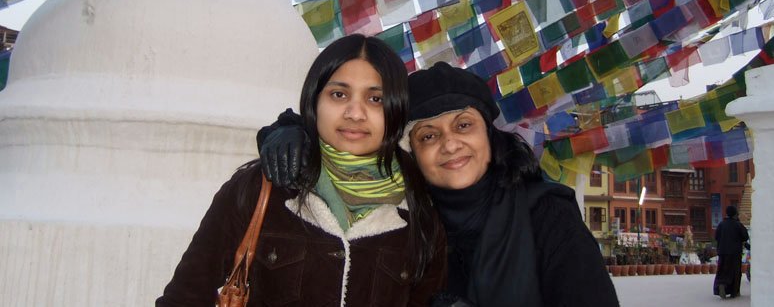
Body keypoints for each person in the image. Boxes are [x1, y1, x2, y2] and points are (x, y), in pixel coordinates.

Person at [259, 61, 619, 306]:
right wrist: (290, 130)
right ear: (412, 154)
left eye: (463, 125)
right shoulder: (404, 221)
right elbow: (348, 143)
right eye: (428, 136)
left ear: (490, 138)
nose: (449, 145)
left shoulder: (545, 215)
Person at [156, 34, 446, 306]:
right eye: (339, 95)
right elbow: (184, 297)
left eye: (375, 99)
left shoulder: (418, 209)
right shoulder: (261, 187)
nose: (355, 113)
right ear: (314, 100)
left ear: (396, 110)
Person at [713, 205, 750, 299]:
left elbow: (716, 237)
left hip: (722, 252)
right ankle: (734, 291)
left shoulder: (721, 224)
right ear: (735, 215)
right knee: (735, 272)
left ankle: (722, 284)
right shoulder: (738, 225)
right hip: (735, 253)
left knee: (722, 270)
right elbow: (745, 236)